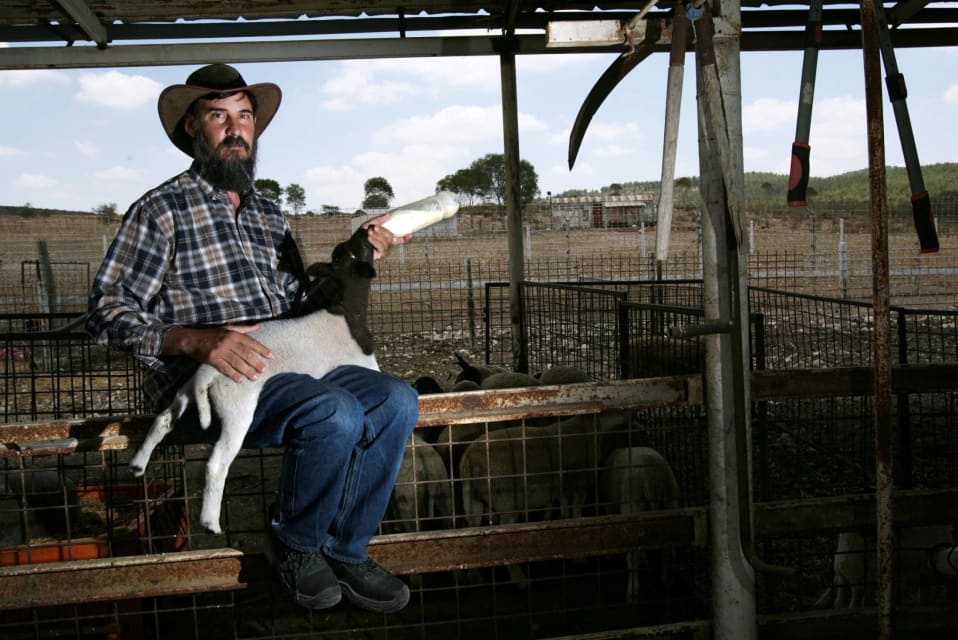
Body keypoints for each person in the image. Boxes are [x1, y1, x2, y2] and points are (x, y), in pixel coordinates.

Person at [86, 63, 418, 614]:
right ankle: (295, 546)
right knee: (333, 410)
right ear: (193, 129)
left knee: (396, 398)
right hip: (207, 386)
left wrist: (357, 258)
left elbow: (302, 305)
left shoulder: (268, 215)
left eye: (245, 116)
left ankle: (346, 548)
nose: (236, 128)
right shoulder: (162, 212)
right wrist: (196, 340)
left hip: (283, 368)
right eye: (219, 116)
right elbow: (105, 310)